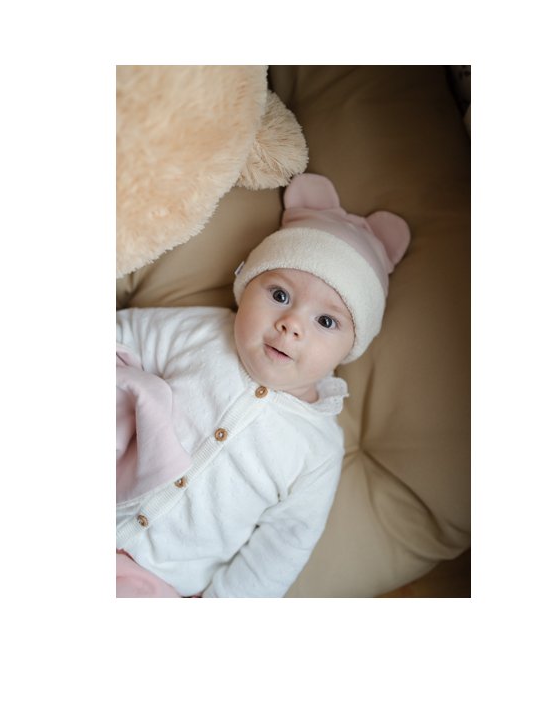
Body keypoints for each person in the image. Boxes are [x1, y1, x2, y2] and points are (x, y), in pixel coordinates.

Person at [116, 173, 409, 597]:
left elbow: (283, 545)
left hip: (157, 581)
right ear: (245, 287)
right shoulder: (202, 334)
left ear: (351, 347)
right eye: (280, 295)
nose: (291, 325)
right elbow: (123, 336)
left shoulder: (318, 448)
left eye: (326, 321)